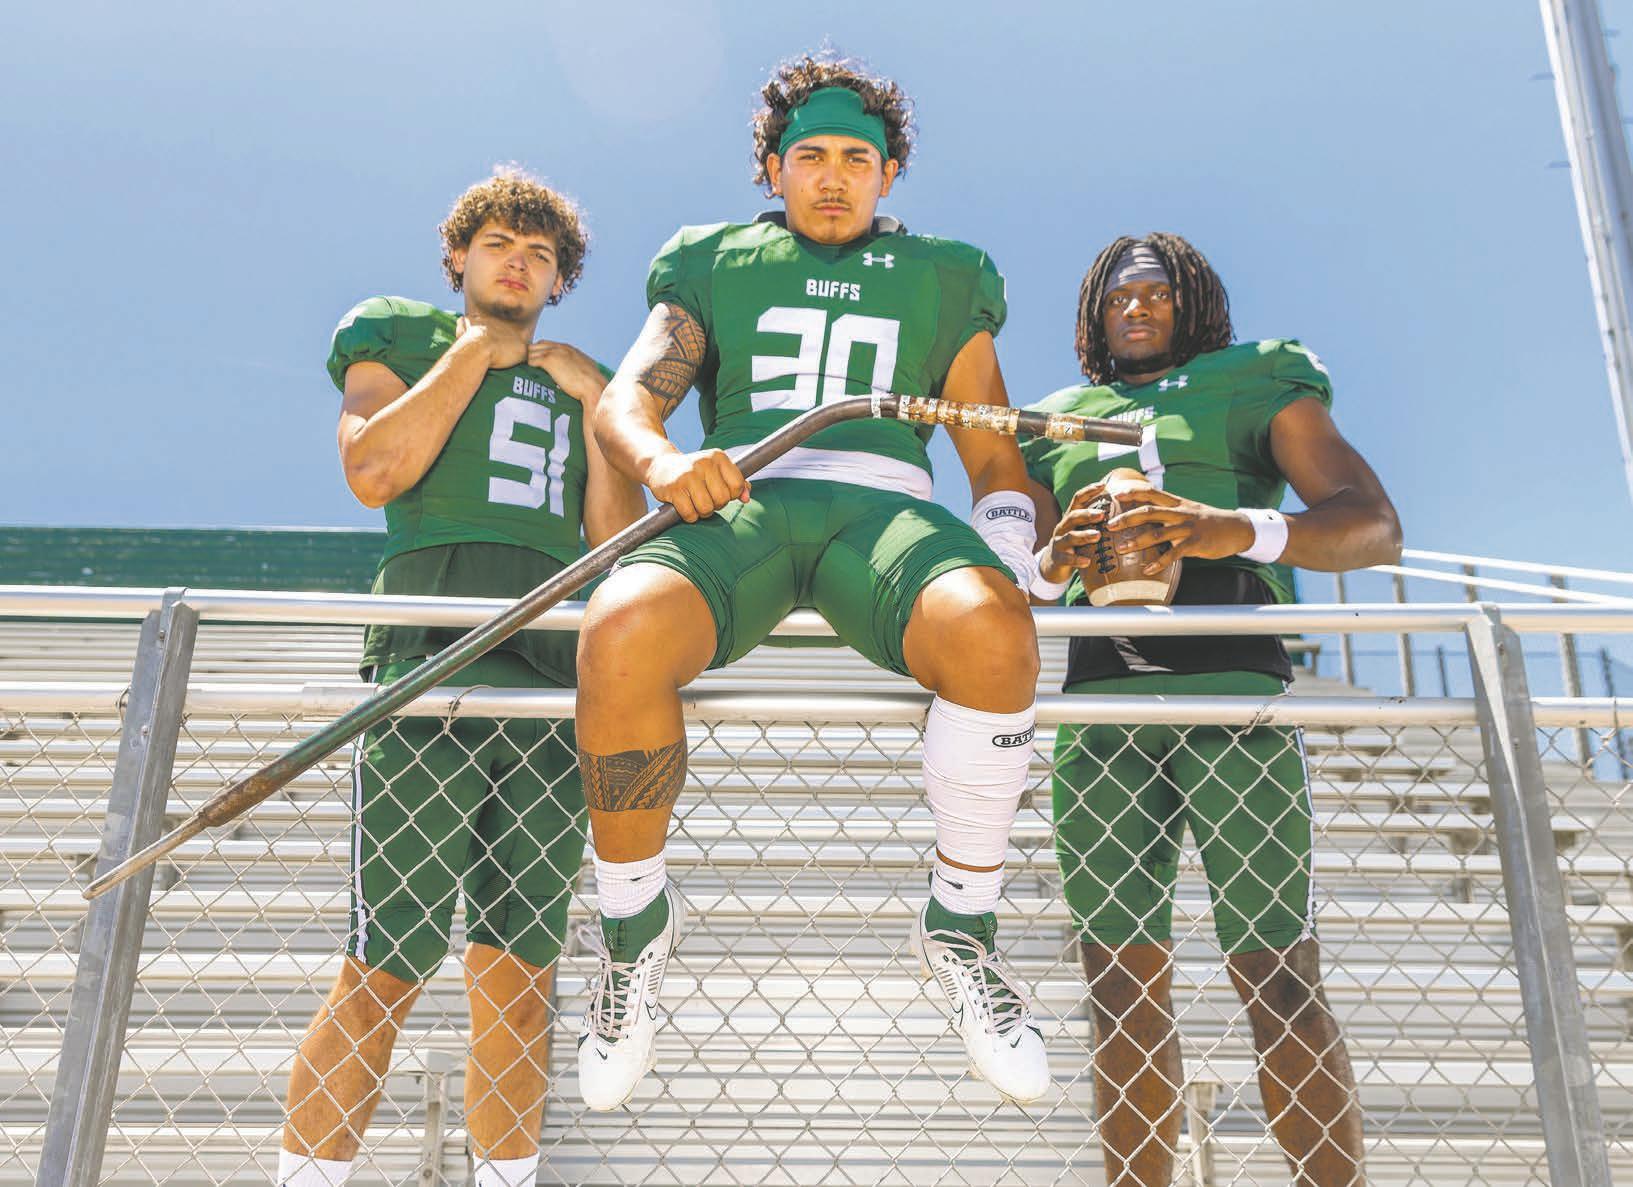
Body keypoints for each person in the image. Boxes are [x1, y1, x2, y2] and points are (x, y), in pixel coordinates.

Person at [572, 52, 1054, 1111]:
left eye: (856, 159)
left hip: (883, 508)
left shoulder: (942, 273)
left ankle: (960, 927)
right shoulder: (713, 259)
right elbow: (624, 403)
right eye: (810, 157)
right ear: (772, 170)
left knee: (994, 628)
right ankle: (634, 926)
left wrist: (1013, 547)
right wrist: (664, 463)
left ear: (888, 173)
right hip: (740, 498)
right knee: (617, 629)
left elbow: (993, 458)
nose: (833, 177)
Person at [279, 169, 645, 1187]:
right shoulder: (399, 335)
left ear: (560, 280)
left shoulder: (582, 378)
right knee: (381, 970)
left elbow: (617, 546)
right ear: (458, 256)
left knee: (521, 984)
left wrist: (597, 400)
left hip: (546, 687)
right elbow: (373, 469)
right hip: (429, 669)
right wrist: (476, 351)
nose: (517, 264)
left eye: (539, 254)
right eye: (498, 245)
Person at [1022, 233, 1402, 1187]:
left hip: (1234, 696)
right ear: (1093, 313)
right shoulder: (1057, 419)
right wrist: (1053, 558)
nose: (1135, 306)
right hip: (1101, 709)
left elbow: (1372, 525)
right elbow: (1014, 578)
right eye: (1118, 296)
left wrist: (1228, 527)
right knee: (1117, 988)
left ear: (1193, 301)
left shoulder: (1253, 380)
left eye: (1155, 291)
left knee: (1276, 973)